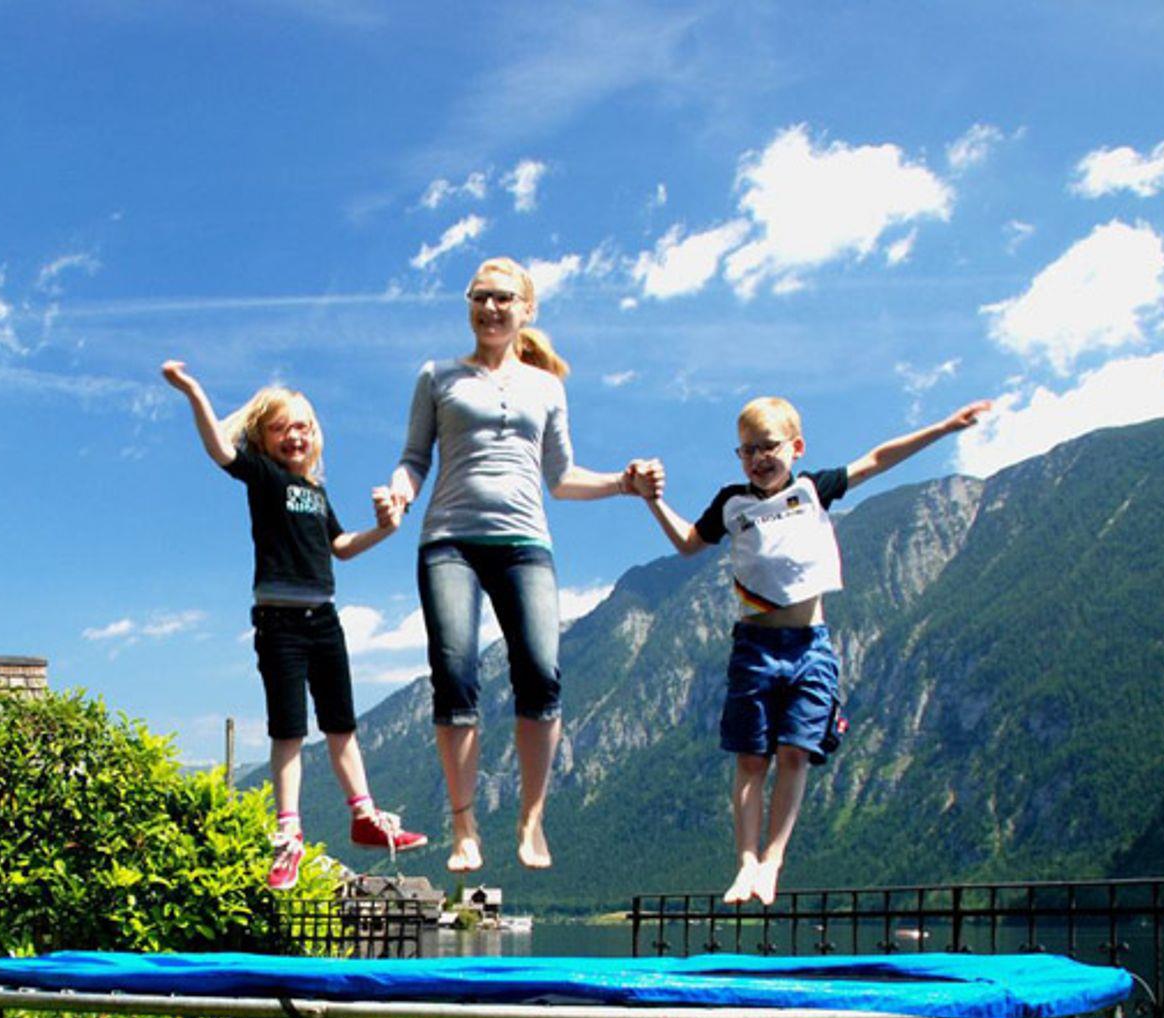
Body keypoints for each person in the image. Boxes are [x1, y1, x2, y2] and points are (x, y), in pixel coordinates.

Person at [642, 393, 993, 905]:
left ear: (796, 447)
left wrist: (943, 428)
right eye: (747, 450)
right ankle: (746, 862)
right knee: (751, 759)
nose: (758, 458)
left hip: (810, 644)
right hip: (754, 647)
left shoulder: (811, 490)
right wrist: (652, 500)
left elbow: (877, 459)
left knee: (795, 752)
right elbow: (689, 543)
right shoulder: (732, 503)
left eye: (768, 446)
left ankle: (772, 862)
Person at [376, 256, 663, 873]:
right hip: (449, 540)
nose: (490, 307)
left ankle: (532, 817)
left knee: (539, 670)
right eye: (480, 296)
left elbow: (561, 477)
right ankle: (464, 826)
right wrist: (400, 491)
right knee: (454, 673)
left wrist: (623, 483)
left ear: (526, 310)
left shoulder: (546, 387)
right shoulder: (437, 375)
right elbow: (414, 458)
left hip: (525, 541)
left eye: (504, 298)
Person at [161, 360, 428, 891]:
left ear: (316, 435)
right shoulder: (264, 478)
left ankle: (364, 816)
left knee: (342, 727)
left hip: (324, 620)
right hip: (279, 624)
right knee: (288, 732)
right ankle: (288, 838)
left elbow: (341, 547)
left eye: (302, 426)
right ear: (262, 438)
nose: (294, 436)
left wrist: (385, 529)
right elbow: (218, 448)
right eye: (281, 428)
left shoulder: (317, 494)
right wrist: (192, 390)